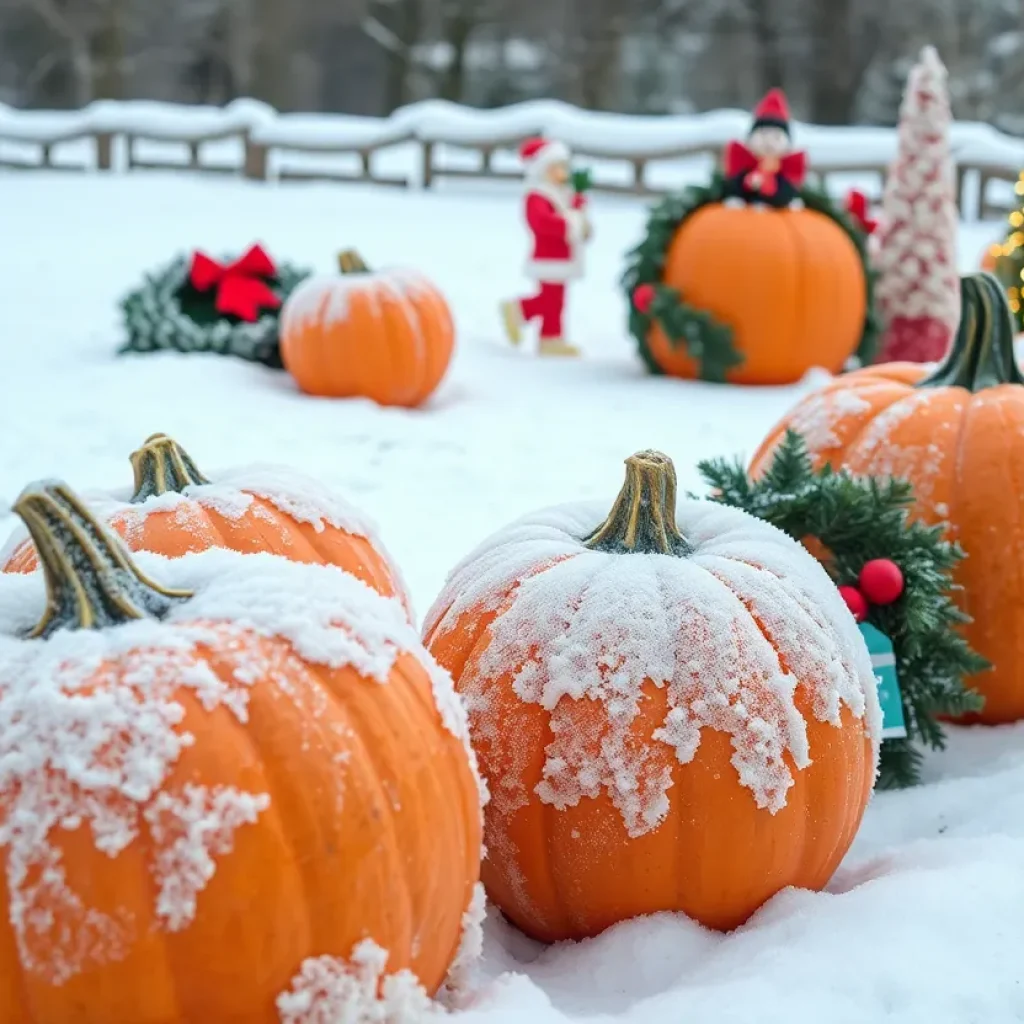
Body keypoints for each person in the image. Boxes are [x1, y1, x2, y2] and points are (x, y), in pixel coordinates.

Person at [500, 137, 593, 356]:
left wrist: (580, 211)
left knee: (558, 300)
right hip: (548, 255)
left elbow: (574, 217)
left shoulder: (562, 194)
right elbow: (542, 222)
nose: (563, 172)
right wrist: (572, 223)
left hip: (563, 255)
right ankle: (519, 309)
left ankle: (551, 338)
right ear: (543, 169)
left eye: (564, 167)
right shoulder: (537, 196)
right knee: (550, 299)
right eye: (557, 167)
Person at [722, 88, 807, 208]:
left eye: (776, 138)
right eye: (763, 136)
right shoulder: (746, 165)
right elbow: (736, 184)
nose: (768, 143)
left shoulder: (786, 171)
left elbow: (788, 189)